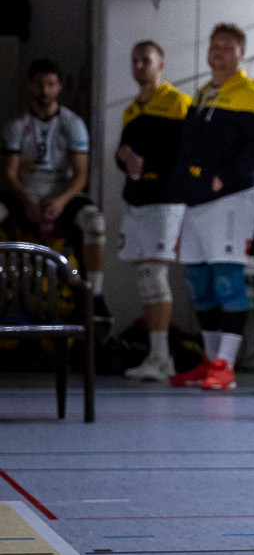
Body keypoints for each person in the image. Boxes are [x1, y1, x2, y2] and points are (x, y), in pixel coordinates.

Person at [168, 24, 254, 392]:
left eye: (227, 47)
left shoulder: (249, 94)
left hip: (231, 201)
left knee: (228, 280)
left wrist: (222, 179)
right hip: (195, 204)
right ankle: (210, 361)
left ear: (241, 54)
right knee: (199, 281)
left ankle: (225, 366)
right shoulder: (204, 94)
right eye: (214, 47)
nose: (219, 53)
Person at [115, 41, 190, 383]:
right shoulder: (131, 109)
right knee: (144, 276)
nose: (139, 66)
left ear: (161, 64)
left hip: (165, 199)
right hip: (137, 200)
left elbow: (185, 154)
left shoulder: (177, 103)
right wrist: (126, 161)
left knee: (156, 275)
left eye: (146, 60)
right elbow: (126, 156)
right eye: (135, 61)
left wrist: (150, 165)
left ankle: (164, 358)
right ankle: (154, 354)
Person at [2, 58, 104, 290]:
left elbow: (81, 174)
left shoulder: (73, 123)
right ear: (30, 86)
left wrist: (62, 201)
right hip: (24, 194)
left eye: (51, 84)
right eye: (40, 84)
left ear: (59, 87)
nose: (45, 90)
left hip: (62, 194)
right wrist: (27, 201)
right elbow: (9, 173)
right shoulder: (16, 126)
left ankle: (94, 295)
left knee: (95, 223)